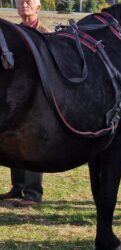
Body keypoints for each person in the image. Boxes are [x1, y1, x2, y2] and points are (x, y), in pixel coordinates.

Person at [0, 0, 50, 208]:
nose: (24, 5)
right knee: (14, 141)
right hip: (17, 96)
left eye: (29, 1)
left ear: (38, 8)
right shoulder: (13, 33)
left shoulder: (45, 34)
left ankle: (32, 192)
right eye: (20, 2)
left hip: (38, 96)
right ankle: (18, 186)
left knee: (31, 143)